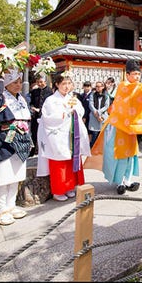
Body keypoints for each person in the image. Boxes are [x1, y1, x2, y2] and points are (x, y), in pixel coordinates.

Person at [90, 59, 142, 195]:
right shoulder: (124, 86)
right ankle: (119, 181)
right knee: (120, 155)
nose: (137, 77)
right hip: (118, 126)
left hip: (130, 127)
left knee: (131, 154)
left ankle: (128, 180)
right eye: (134, 74)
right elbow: (138, 90)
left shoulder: (136, 86)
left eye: (138, 74)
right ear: (127, 75)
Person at [0, 69, 32, 225]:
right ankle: (2, 209)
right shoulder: (0, 97)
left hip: (22, 139)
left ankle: (11, 206)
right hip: (6, 139)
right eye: (14, 82)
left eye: (19, 82)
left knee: (16, 177)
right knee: (4, 177)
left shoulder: (22, 98)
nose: (18, 85)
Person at [36, 71, 91, 201]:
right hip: (57, 136)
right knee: (59, 162)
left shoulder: (72, 98)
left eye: (68, 83)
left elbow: (81, 111)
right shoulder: (51, 100)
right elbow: (48, 118)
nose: (66, 86)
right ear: (57, 84)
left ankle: (69, 186)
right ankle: (58, 191)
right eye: (63, 83)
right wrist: (65, 113)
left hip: (71, 134)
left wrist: (75, 110)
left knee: (71, 161)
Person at [29, 73, 52, 156]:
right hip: (35, 116)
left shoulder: (50, 91)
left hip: (45, 117)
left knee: (44, 135)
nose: (39, 84)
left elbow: (50, 105)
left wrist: (41, 110)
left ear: (45, 82)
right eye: (38, 82)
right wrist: (33, 108)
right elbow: (31, 102)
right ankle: (32, 151)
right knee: (34, 134)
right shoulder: (34, 91)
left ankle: (43, 151)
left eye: (41, 82)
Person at [87, 81, 109, 148]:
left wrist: (99, 113)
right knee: (94, 136)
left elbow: (106, 106)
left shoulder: (106, 96)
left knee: (103, 135)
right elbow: (91, 105)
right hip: (94, 117)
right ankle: (93, 150)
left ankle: (101, 150)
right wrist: (96, 114)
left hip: (103, 117)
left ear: (103, 87)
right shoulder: (92, 95)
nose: (98, 88)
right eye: (96, 86)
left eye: (99, 86)